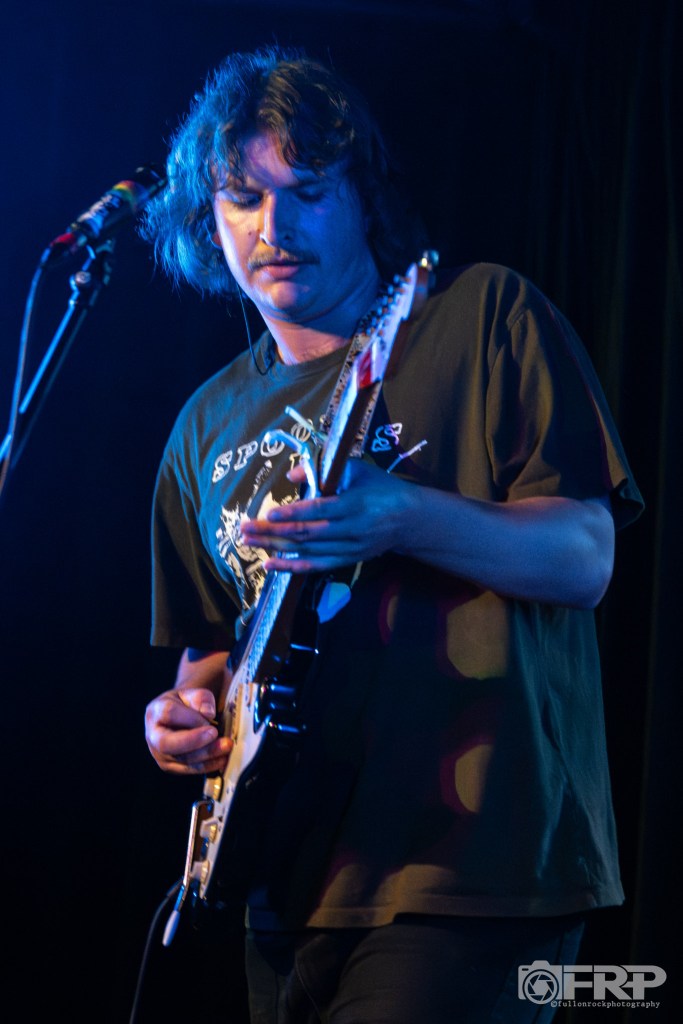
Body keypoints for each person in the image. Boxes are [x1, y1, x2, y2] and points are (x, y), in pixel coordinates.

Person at [142, 45, 643, 1023]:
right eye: (243, 198)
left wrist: (402, 513)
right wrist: (179, 718)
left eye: (308, 191)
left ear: (363, 198)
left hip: (470, 868)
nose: (274, 227)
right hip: (281, 883)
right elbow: (209, 654)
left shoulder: (479, 315)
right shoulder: (202, 426)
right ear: (209, 218)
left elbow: (584, 559)